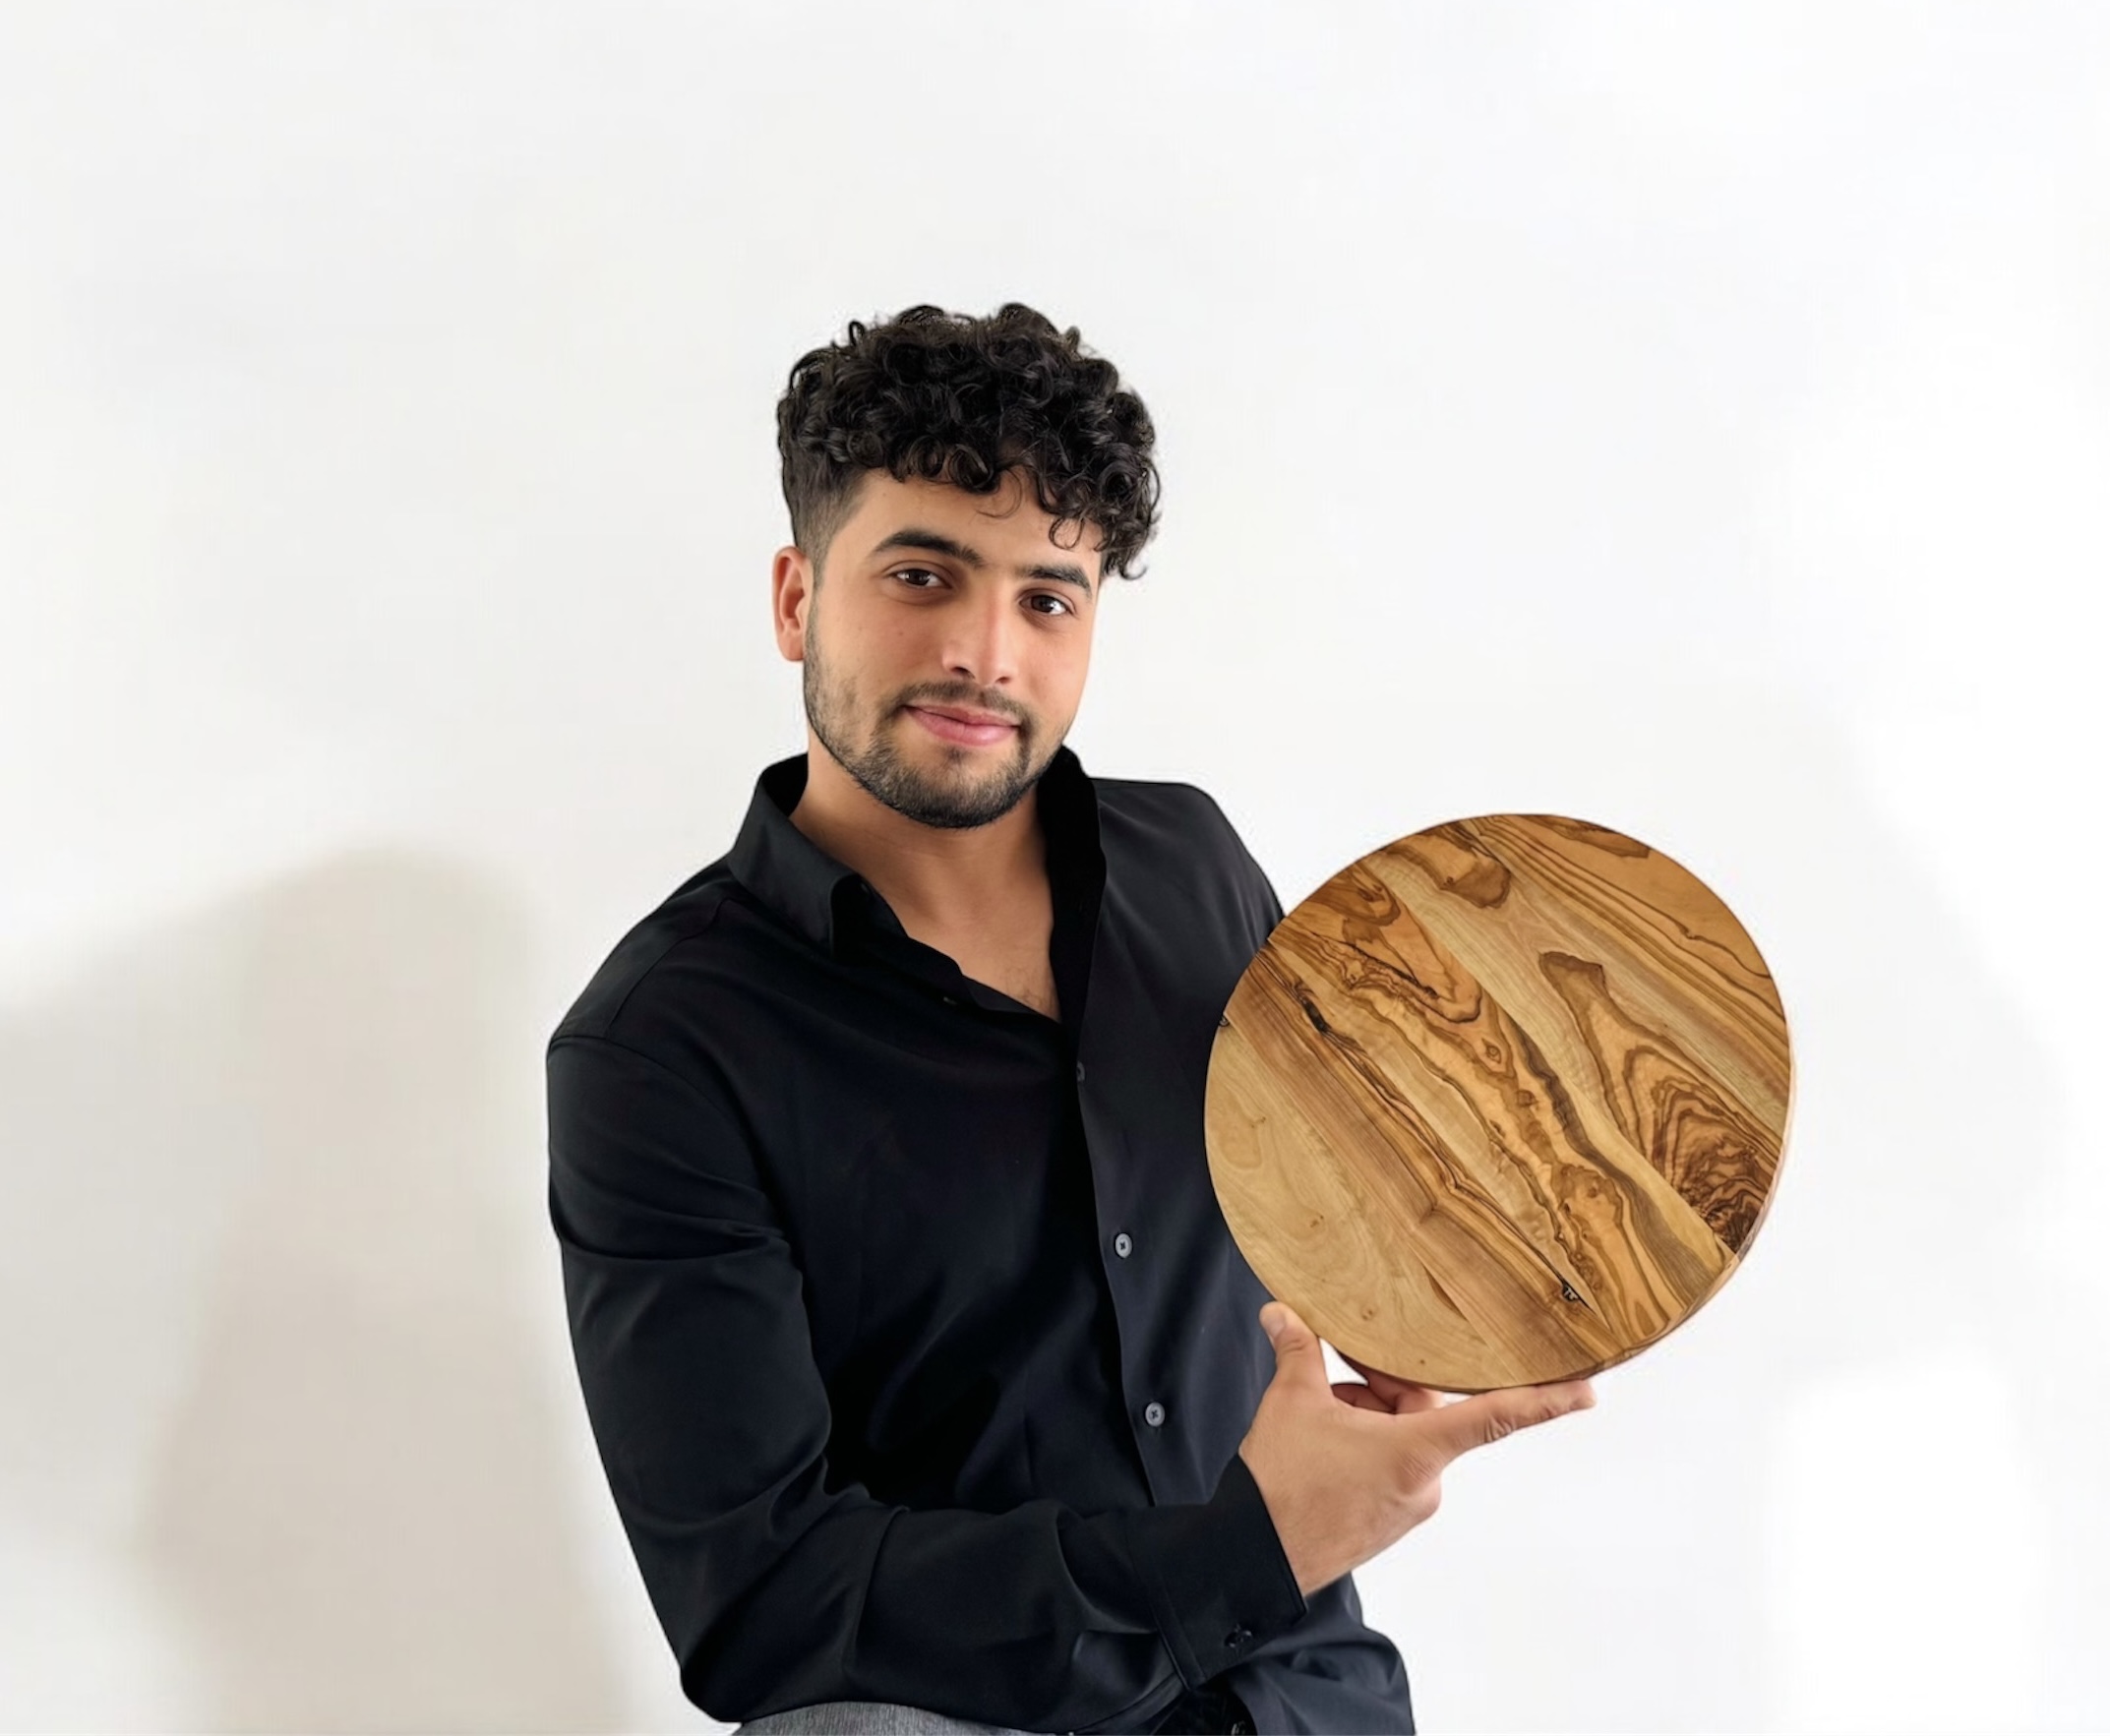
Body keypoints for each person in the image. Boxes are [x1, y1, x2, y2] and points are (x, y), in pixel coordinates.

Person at [544, 303, 1598, 1735]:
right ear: (796, 599)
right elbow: (761, 1606)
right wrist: (1240, 1552)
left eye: (1048, 597)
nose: (986, 652)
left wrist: (1410, 1327)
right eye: (922, 575)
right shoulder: (661, 1047)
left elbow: (1327, 1206)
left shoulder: (1192, 866)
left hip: (1298, 1691)